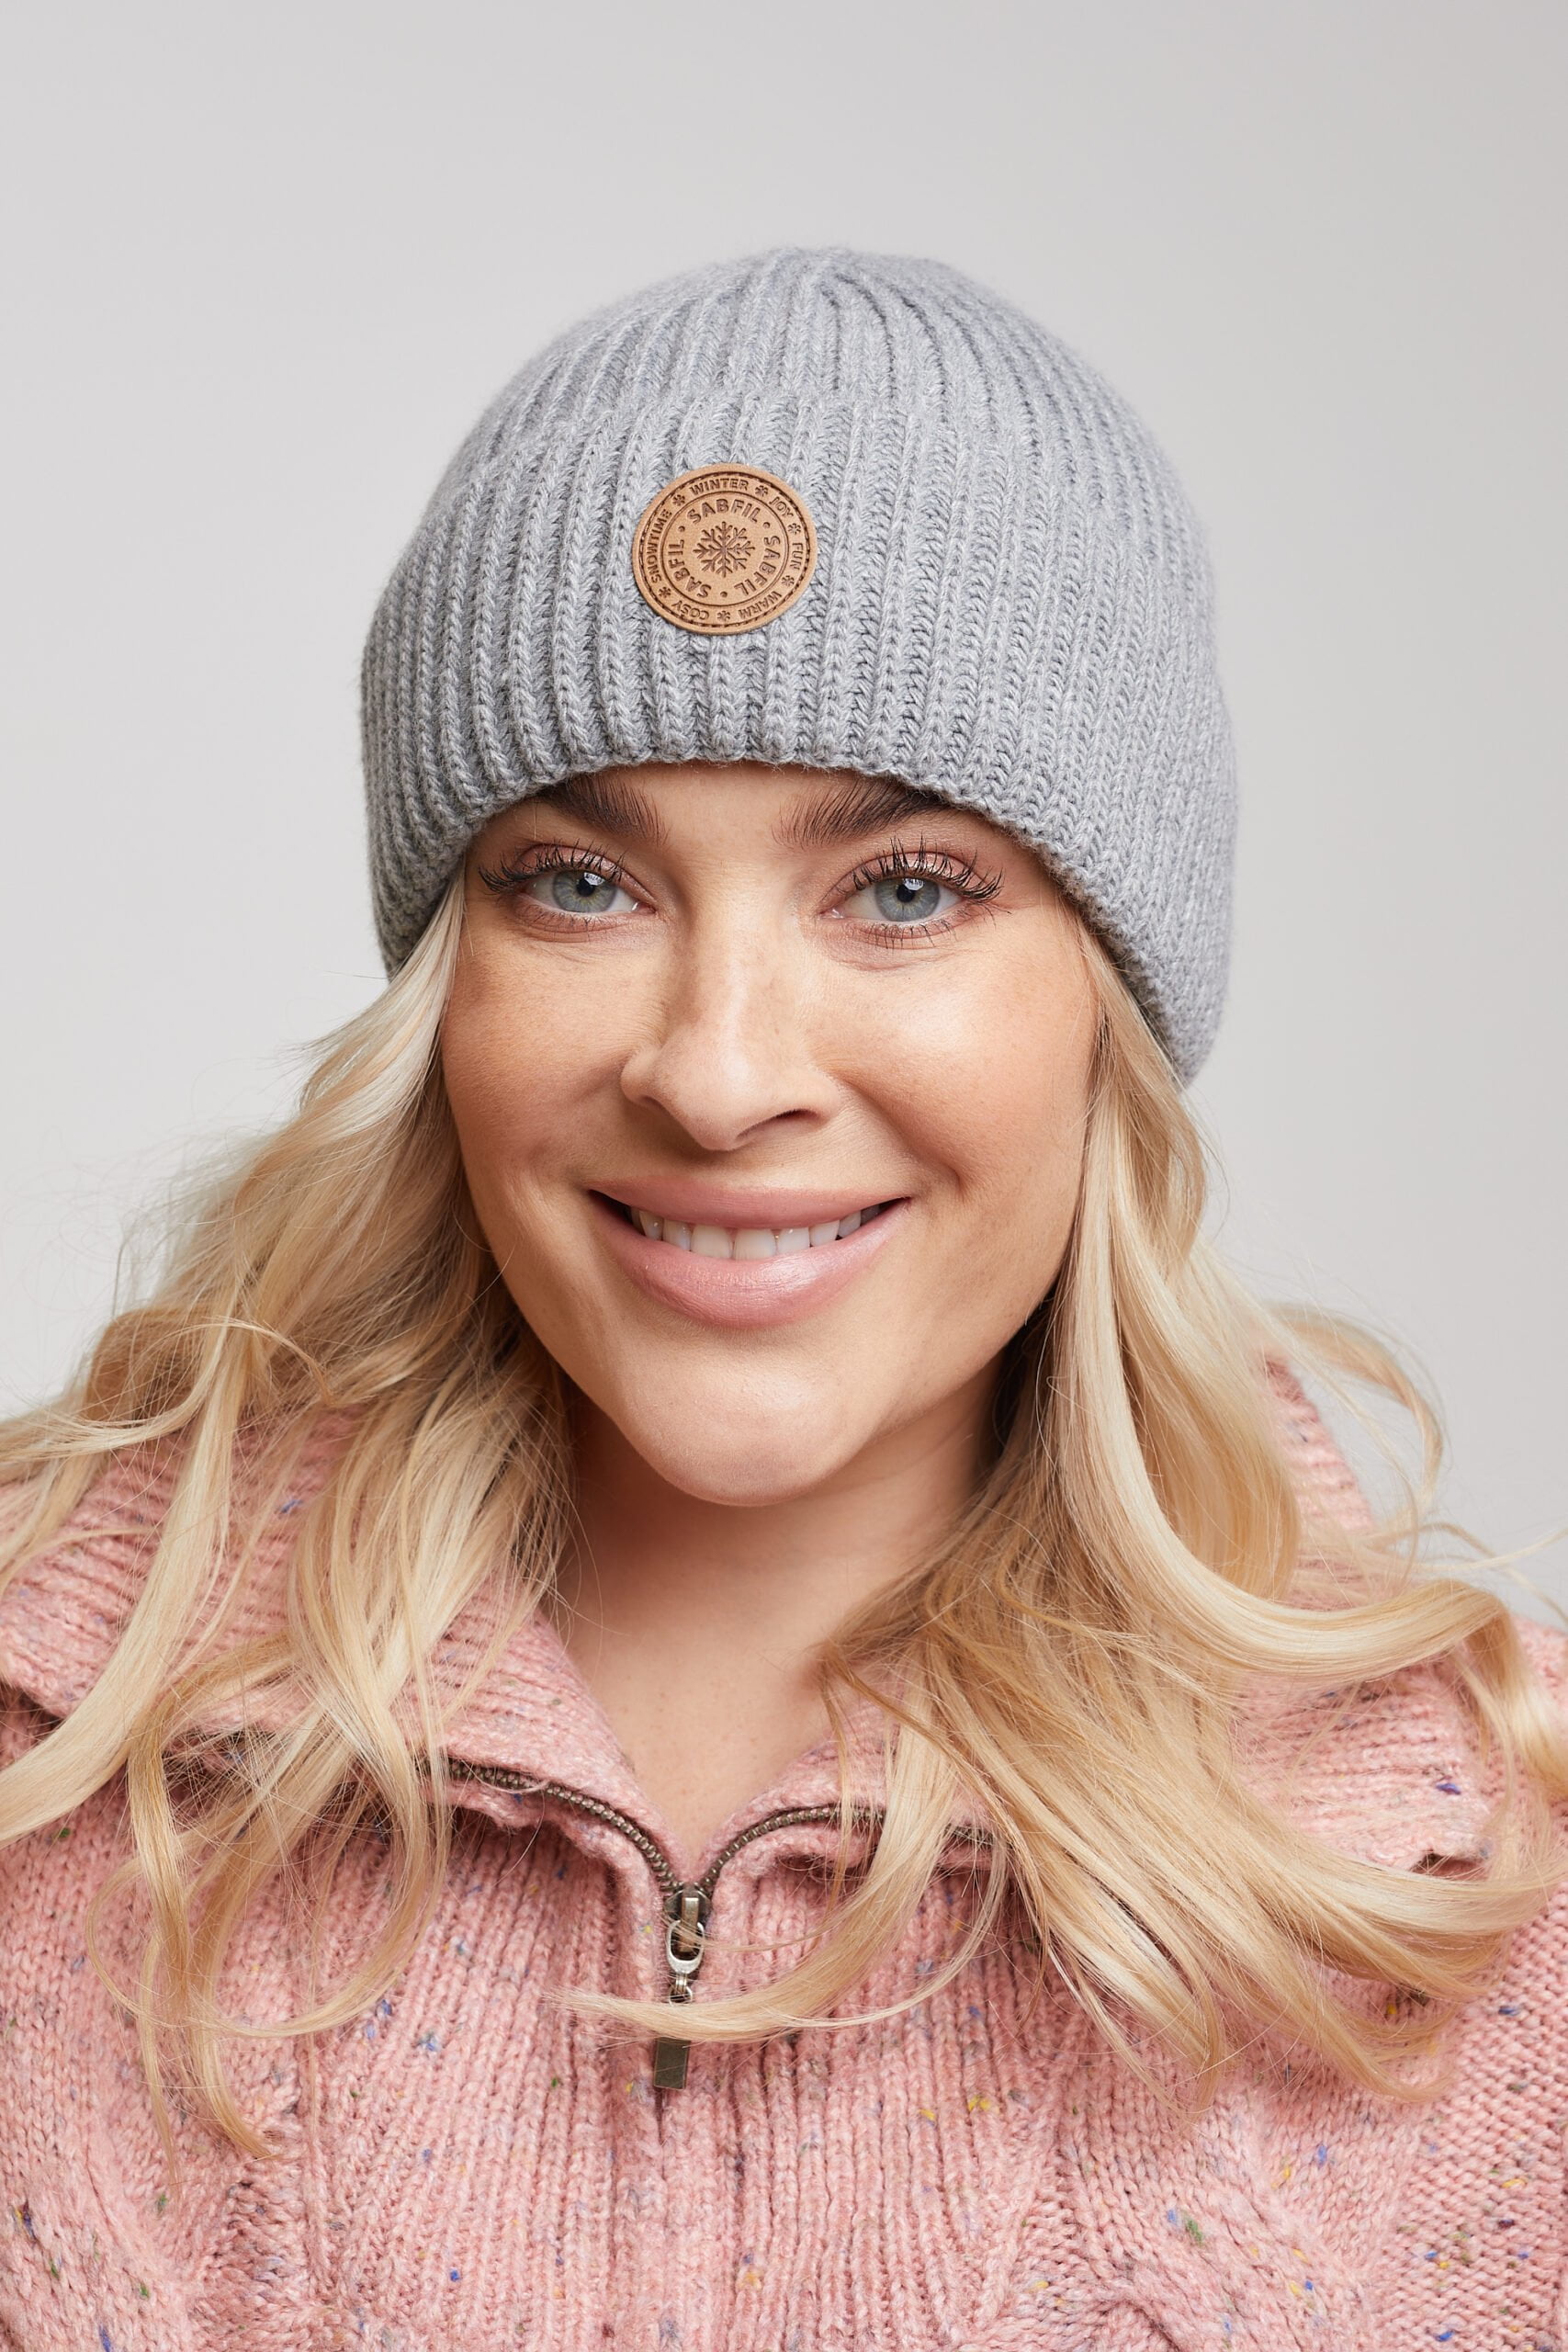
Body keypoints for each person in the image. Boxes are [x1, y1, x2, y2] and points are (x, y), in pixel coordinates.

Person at [1, 249, 1563, 2351]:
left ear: (1108, 1004)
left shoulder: (1482, 1886)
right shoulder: (48, 1764)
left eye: (902, 888)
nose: (718, 1070)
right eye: (579, 880)